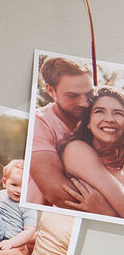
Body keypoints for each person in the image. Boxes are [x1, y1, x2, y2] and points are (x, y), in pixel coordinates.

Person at [27, 56, 106, 210]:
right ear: (50, 90)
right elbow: (56, 192)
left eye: (89, 94)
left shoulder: (98, 120)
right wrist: (107, 210)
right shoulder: (38, 122)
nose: (84, 103)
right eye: (73, 96)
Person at [59, 85, 124, 217]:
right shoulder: (76, 150)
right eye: (100, 111)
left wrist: (105, 212)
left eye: (118, 113)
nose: (110, 119)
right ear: (88, 122)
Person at [0, 159, 38, 252]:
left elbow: (30, 230)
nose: (19, 191)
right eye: (14, 185)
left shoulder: (29, 206)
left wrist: (11, 243)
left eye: (25, 187)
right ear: (4, 182)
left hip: (11, 242)